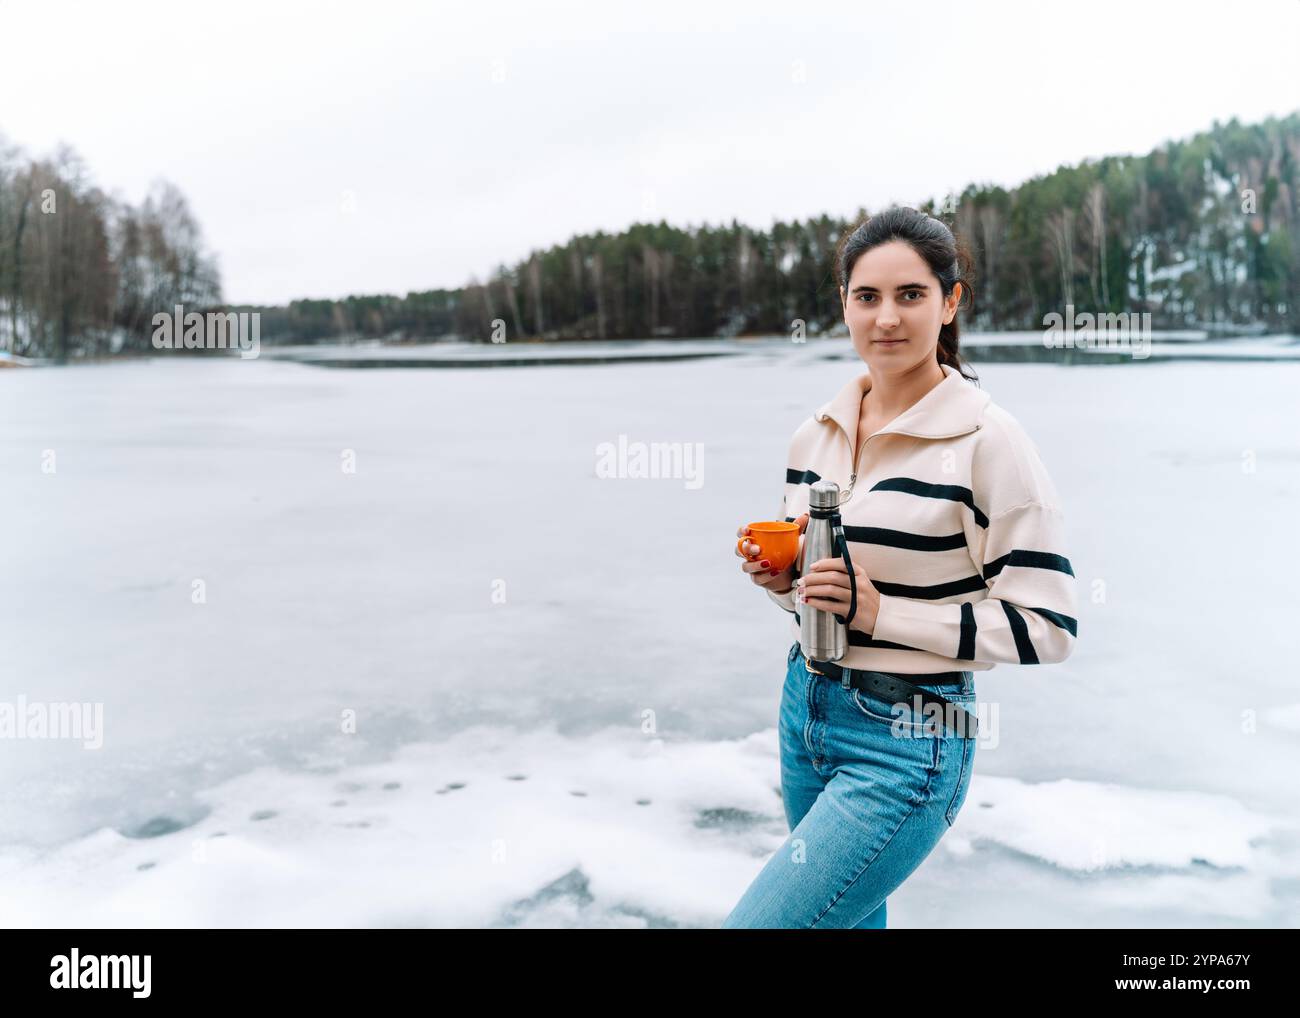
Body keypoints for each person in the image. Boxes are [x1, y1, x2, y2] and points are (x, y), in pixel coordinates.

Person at [723, 206, 1078, 928]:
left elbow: (1048, 626)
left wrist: (882, 613)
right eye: (867, 297)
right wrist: (786, 585)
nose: (887, 317)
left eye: (911, 295)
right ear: (844, 306)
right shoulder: (814, 434)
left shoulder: (989, 441)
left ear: (950, 302)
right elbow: (824, 598)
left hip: (909, 740)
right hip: (807, 710)